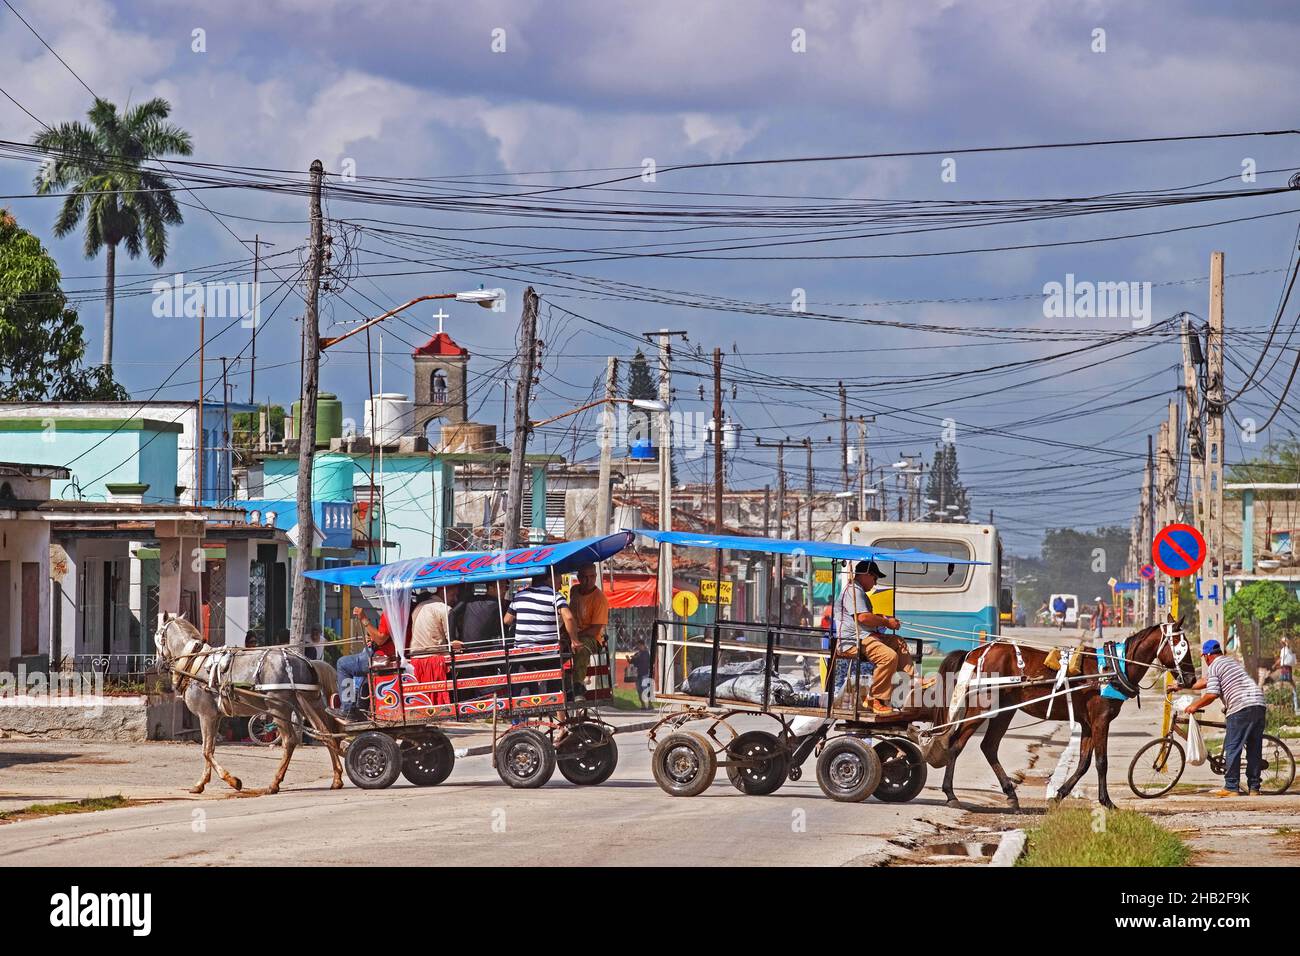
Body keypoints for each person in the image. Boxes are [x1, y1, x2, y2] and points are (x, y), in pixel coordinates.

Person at [836, 560, 931, 716]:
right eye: (875, 579)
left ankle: (913, 679)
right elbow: (863, 618)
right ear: (866, 575)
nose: (875, 583)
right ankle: (875, 699)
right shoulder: (853, 591)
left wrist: (882, 619)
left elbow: (866, 617)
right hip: (853, 641)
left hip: (865, 636)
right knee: (888, 657)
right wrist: (886, 622)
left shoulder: (859, 591)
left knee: (897, 641)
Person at [1182, 639, 1268, 797]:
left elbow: (1212, 694)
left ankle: (1231, 786)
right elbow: (1205, 682)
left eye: (1204, 658)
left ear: (1207, 656)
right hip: (1259, 704)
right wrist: (1181, 686)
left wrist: (1195, 705)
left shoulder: (1215, 666)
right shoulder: (1230, 662)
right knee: (1254, 749)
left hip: (1241, 706)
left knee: (1233, 747)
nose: (1205, 661)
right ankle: (1254, 788)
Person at [503, 572, 578, 696]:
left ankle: (523, 700)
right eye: (559, 580)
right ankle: (555, 699)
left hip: (523, 653)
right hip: (547, 654)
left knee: (521, 674)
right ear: (549, 578)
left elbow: (507, 620)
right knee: (556, 680)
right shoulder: (555, 596)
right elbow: (569, 617)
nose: (559, 585)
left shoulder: (520, 595)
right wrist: (575, 640)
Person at [330, 605, 397, 721]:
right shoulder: (402, 609)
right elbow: (383, 637)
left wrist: (364, 619)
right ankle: (362, 705)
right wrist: (373, 637)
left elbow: (381, 638)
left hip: (382, 657)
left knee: (343, 664)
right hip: (387, 653)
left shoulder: (392, 611)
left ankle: (347, 709)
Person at [568, 564, 610, 695]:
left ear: (596, 577)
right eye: (585, 577)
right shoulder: (574, 590)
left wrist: (574, 636)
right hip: (573, 634)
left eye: (592, 577)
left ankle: (577, 685)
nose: (588, 580)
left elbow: (595, 629)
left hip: (592, 639)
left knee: (581, 645)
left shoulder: (600, 599)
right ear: (579, 578)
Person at [1274, 637, 1297, 710]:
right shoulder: (1282, 650)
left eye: (1283, 642)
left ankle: (1295, 704)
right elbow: (1281, 658)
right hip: (1283, 667)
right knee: (1283, 682)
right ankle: (1281, 701)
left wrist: (1286, 641)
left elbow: (1289, 644)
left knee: (1289, 682)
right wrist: (1275, 664)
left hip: (1287, 667)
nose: (1283, 643)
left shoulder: (1289, 649)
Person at [628, 638, 652, 708]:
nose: (638, 647)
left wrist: (635, 657)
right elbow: (631, 662)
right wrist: (629, 659)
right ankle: (643, 705)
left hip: (645, 674)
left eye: (640, 645)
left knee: (646, 690)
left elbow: (643, 659)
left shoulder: (646, 653)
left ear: (643, 645)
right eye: (638, 645)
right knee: (639, 690)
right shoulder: (637, 653)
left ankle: (649, 704)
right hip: (637, 674)